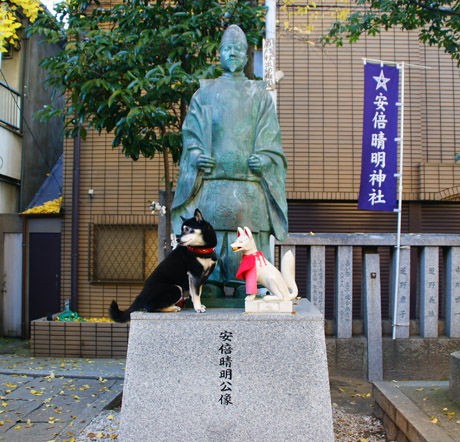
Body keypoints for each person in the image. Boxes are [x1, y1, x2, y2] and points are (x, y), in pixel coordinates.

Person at [171, 24, 288, 294]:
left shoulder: (260, 95)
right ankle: (207, 285)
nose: (233, 54)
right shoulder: (204, 93)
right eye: (227, 49)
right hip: (213, 187)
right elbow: (191, 136)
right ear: (219, 54)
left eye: (238, 49)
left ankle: (248, 287)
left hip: (249, 188)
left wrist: (264, 157)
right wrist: (198, 156)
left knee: (247, 237)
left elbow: (272, 141)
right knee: (209, 239)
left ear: (247, 56)